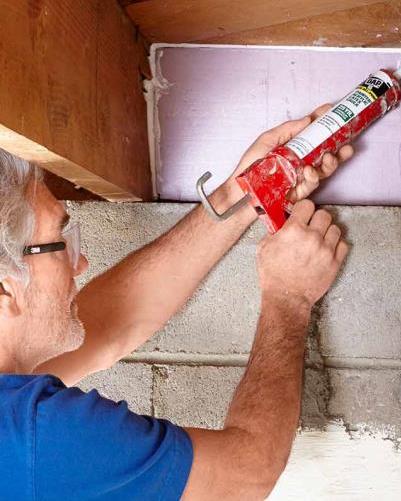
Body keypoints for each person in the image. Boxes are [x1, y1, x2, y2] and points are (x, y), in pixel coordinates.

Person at [0, 109, 352, 500]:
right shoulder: (37, 436)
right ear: (4, 289)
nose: (79, 262)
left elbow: (112, 323)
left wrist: (242, 193)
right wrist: (289, 297)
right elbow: (248, 473)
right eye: (58, 242)